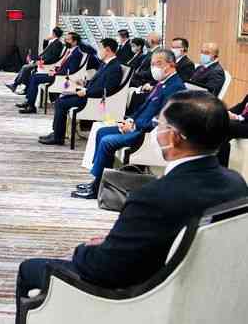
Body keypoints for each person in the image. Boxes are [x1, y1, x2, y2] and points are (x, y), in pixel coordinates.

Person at [16, 90, 248, 324]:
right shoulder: (236, 184)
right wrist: (120, 243)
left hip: (146, 300)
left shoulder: (153, 197)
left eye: (160, 124)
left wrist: (85, 249)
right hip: (205, 293)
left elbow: (104, 270)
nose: (156, 130)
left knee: (30, 269)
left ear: (174, 137)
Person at [73, 48, 187, 199]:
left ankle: (96, 188)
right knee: (102, 132)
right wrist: (131, 119)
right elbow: (144, 107)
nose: (154, 68)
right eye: (152, 64)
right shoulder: (161, 83)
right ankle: (98, 180)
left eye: (158, 63)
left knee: (107, 142)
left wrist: (135, 126)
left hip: (145, 134)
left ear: (171, 64)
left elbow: (163, 119)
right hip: (137, 126)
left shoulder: (175, 86)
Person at [38, 38, 123, 146]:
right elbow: (97, 83)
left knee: (61, 103)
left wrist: (86, 92)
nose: (99, 51)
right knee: (61, 98)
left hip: (94, 100)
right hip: (89, 94)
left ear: (107, 50)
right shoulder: (106, 64)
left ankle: (58, 137)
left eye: (100, 48)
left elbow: (107, 90)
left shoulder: (114, 67)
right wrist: (85, 84)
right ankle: (57, 133)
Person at [18, 32, 84, 114]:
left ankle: (31, 106)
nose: (65, 41)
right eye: (66, 39)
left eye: (68, 40)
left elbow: (71, 71)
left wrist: (56, 73)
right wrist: (55, 70)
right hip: (57, 74)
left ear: (75, 42)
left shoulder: (77, 53)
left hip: (61, 78)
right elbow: (63, 65)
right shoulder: (71, 51)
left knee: (34, 78)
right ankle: (29, 103)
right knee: (34, 76)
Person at [5, 27, 64, 93]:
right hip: (41, 60)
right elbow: (45, 51)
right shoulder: (54, 42)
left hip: (45, 63)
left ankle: (15, 85)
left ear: (54, 33)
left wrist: (41, 61)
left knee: (25, 68)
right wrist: (45, 40)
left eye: (52, 33)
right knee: (26, 69)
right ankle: (21, 86)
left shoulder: (58, 43)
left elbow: (53, 56)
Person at [218, 94, 248, 167]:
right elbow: (240, 106)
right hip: (241, 122)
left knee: (226, 125)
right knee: (217, 118)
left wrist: (236, 117)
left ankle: (221, 166)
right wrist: (225, 113)